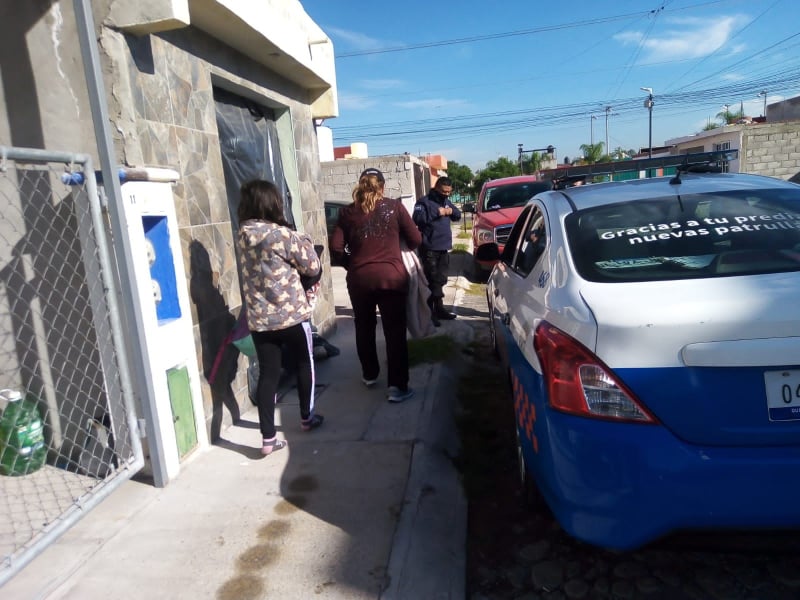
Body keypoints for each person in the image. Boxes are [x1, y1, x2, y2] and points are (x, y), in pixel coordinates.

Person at [237, 179, 324, 456]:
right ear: (272, 203)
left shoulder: (243, 235)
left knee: (268, 375)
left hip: (261, 321)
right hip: (291, 317)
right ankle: (307, 417)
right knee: (303, 364)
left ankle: (267, 439)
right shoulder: (281, 235)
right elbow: (312, 265)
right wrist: (305, 242)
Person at [330, 168, 422, 403]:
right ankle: (397, 387)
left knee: (364, 326)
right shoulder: (395, 208)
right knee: (394, 330)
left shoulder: (347, 212)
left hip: (360, 278)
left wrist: (353, 265)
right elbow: (416, 240)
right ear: (382, 186)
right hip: (391, 276)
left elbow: (336, 248)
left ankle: (370, 374)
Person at [412, 176, 461, 326]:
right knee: (432, 282)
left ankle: (439, 310)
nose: (446, 194)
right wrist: (437, 213)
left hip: (443, 247)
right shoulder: (424, 202)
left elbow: (457, 215)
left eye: (449, 192)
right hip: (429, 248)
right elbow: (416, 219)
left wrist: (448, 211)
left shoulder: (445, 201)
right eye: (444, 192)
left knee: (440, 280)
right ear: (437, 188)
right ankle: (429, 313)